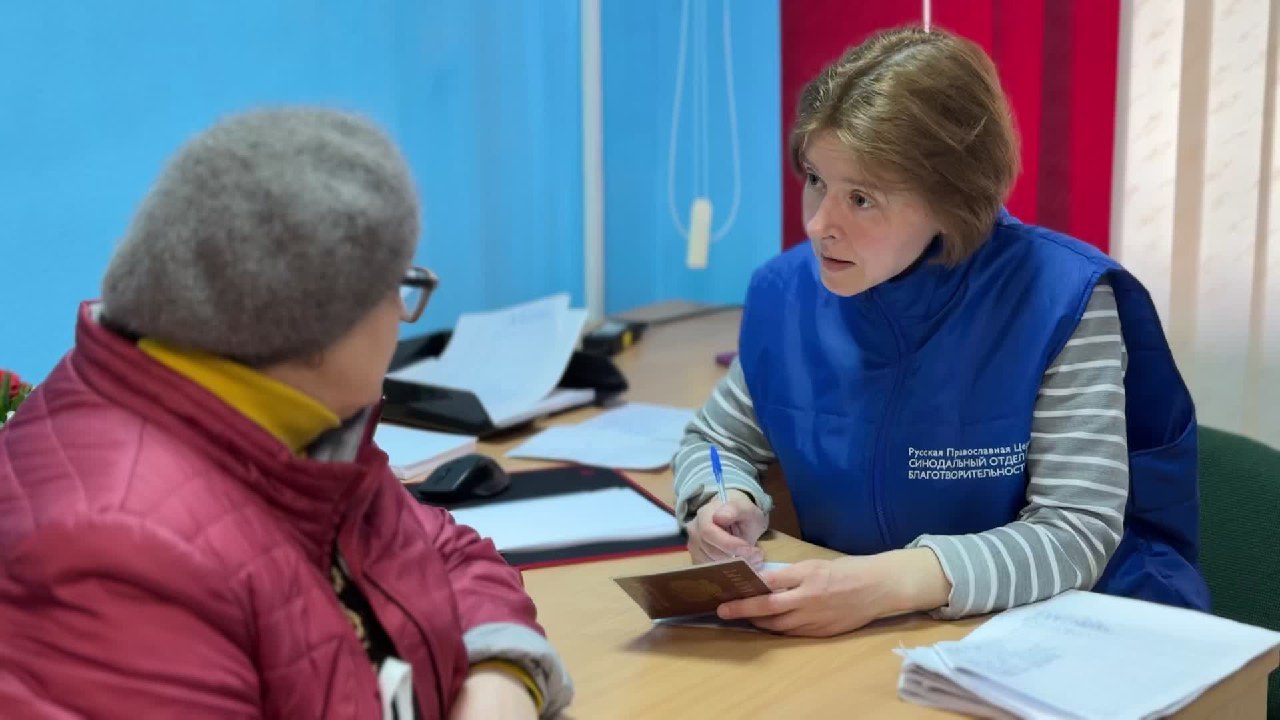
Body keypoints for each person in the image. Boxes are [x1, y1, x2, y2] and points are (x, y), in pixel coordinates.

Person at [0, 108, 573, 719]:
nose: (406, 316)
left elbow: (450, 556)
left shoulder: (284, 425)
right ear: (322, 324)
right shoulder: (110, 553)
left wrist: (502, 678)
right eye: (400, 287)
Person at [673, 26, 1209, 638]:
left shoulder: (1065, 297)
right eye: (816, 179)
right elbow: (714, 441)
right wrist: (721, 499)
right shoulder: (787, 293)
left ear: (952, 199)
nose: (820, 223)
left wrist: (885, 584)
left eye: (862, 198)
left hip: (1058, 634)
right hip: (866, 633)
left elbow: (1076, 532)